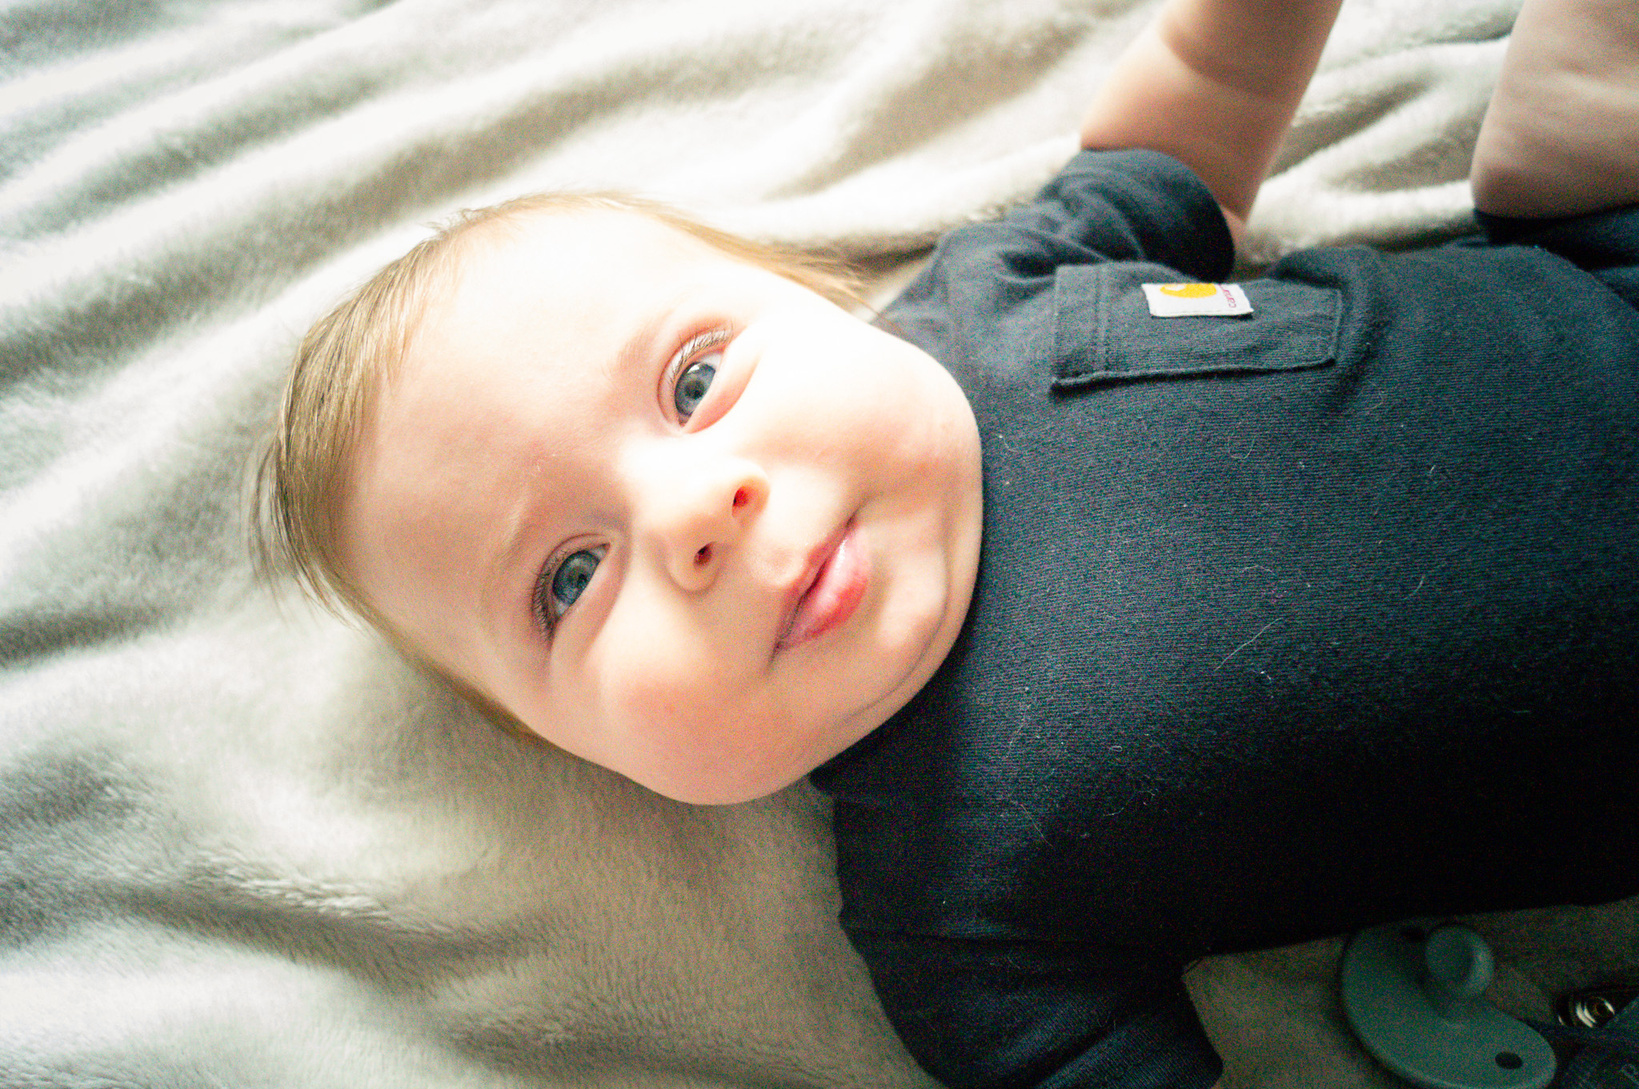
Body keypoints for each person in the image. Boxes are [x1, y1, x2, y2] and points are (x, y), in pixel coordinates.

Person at [257, 0, 1639, 1084]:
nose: (692, 516)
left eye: (693, 382)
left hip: (1598, 268)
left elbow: (1198, 121)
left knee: (1586, 111)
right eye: (568, 579)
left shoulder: (993, 300)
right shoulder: (956, 910)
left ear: (824, 304)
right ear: (586, 756)